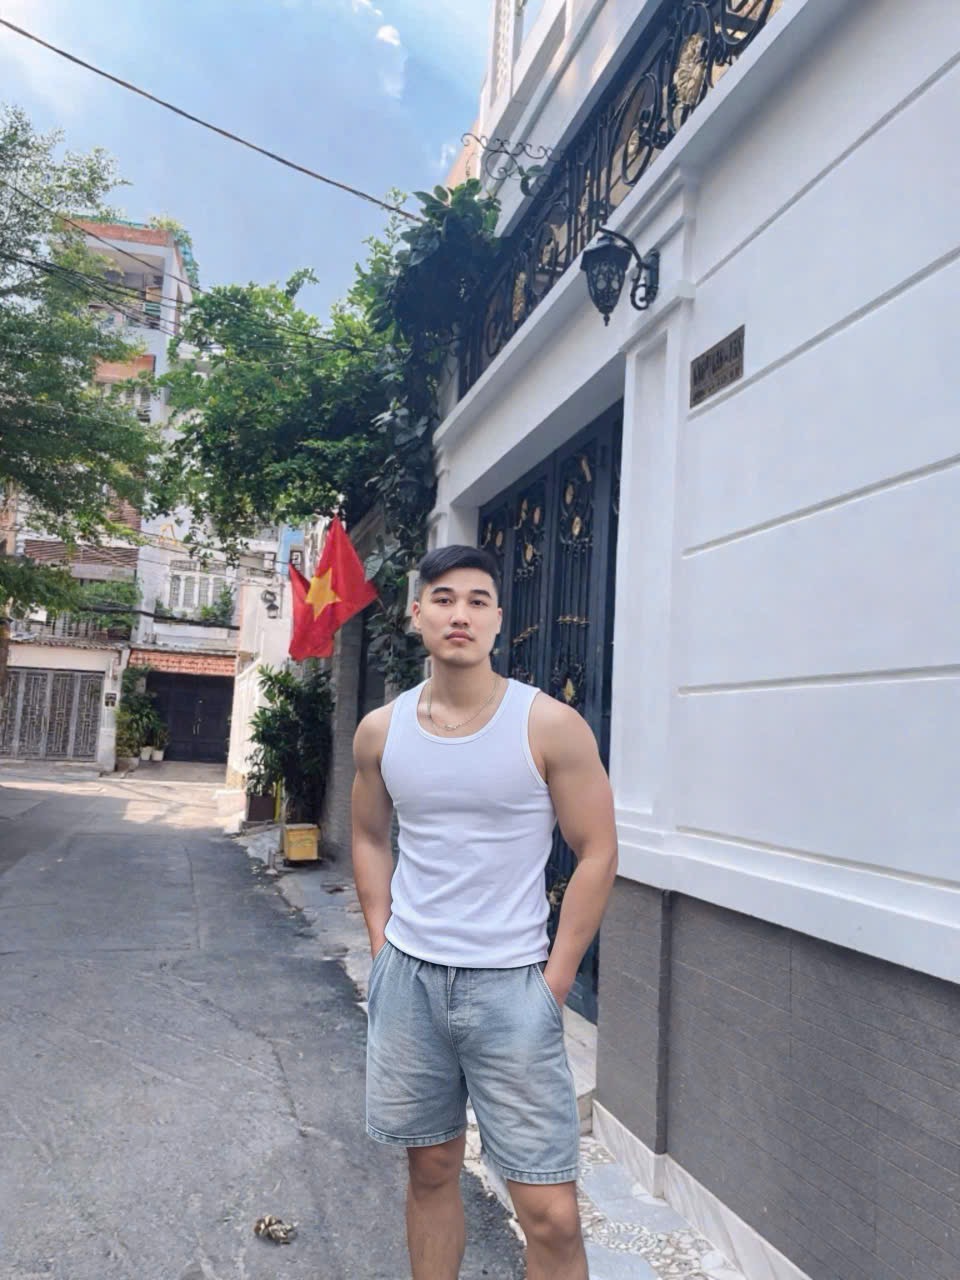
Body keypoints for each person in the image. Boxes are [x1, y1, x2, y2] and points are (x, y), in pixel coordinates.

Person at [351, 543, 618, 1280]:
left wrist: (553, 984)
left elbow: (597, 850)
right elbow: (369, 836)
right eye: (443, 599)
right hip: (410, 983)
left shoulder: (549, 725)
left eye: (476, 600)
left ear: (499, 618)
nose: (459, 614)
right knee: (431, 1170)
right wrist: (381, 947)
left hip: (512, 989)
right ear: (417, 615)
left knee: (551, 1213)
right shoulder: (381, 731)